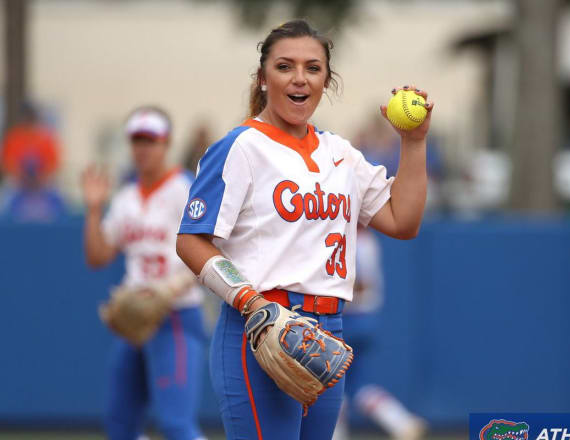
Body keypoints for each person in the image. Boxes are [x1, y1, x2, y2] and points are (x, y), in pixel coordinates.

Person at [175, 19, 433, 440]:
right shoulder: (241, 147)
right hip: (261, 326)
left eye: (313, 68)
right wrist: (251, 302)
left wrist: (414, 142)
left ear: (326, 80)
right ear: (262, 78)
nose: (300, 78)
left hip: (327, 333)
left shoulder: (340, 153)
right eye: (285, 66)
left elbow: (402, 221)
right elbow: (191, 240)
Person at [82, 106, 206, 440]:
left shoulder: (187, 189)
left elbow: (213, 252)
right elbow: (98, 256)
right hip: (134, 320)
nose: (142, 148)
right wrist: (94, 210)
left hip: (176, 315)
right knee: (120, 425)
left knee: (176, 424)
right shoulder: (126, 197)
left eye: (150, 140)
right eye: (137, 140)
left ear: (166, 143)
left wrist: (169, 290)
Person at [332, 227, 428, 440]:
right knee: (357, 385)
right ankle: (401, 422)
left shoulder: (353, 240)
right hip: (365, 318)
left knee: (331, 383)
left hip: (350, 319)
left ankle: (335, 435)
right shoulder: (367, 239)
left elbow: (358, 284)